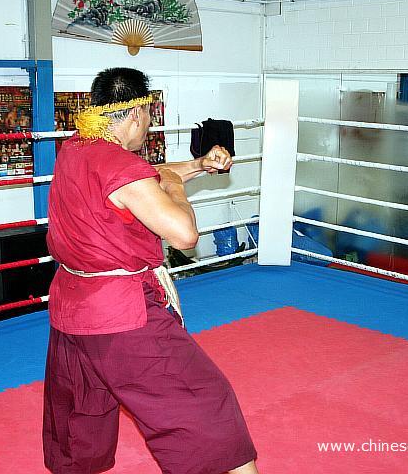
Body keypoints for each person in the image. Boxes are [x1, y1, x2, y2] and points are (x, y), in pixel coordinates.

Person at [43, 67, 258, 474]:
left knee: (82, 417)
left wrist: (196, 165)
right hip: (120, 316)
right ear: (138, 113)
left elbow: (141, 178)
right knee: (205, 402)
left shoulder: (76, 149)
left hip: (70, 312)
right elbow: (184, 234)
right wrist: (175, 189)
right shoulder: (122, 168)